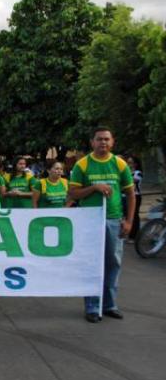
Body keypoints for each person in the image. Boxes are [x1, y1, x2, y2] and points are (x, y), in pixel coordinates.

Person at [68, 127, 135, 323]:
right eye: (99, 139)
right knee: (92, 263)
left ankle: (110, 305)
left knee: (113, 262)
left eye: (106, 139)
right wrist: (94, 188)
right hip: (90, 220)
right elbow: (73, 193)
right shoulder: (82, 165)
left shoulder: (119, 164)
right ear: (92, 142)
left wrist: (129, 220)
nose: (103, 143)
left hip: (114, 219)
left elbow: (130, 194)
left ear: (112, 142)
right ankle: (92, 306)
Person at [127, 156, 143, 241]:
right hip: (129, 196)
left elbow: (132, 181)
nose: (128, 164)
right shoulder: (129, 172)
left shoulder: (138, 173)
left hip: (136, 195)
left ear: (135, 164)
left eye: (130, 163)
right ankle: (130, 233)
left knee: (134, 215)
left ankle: (134, 236)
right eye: (128, 162)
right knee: (129, 214)